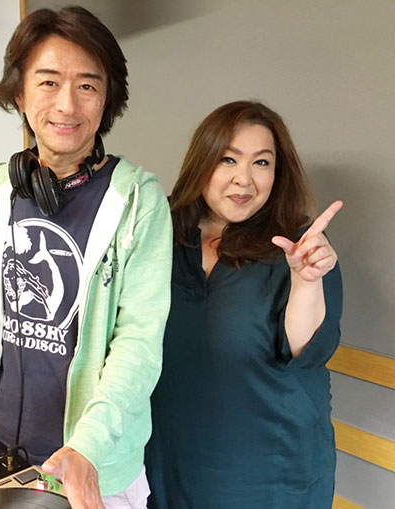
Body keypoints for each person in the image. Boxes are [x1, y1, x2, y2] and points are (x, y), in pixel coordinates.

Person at [0, 6, 172, 509]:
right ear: (20, 93)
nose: (67, 105)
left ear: (107, 99)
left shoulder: (139, 201)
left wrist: (88, 447)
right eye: (48, 82)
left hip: (93, 469)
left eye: (87, 85)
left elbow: (139, 344)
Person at [145, 100, 343, 508]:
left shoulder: (299, 246)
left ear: (278, 173)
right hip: (170, 460)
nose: (244, 179)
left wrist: (306, 283)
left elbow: (305, 351)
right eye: (228, 159)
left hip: (270, 472)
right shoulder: (160, 233)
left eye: (262, 163)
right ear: (202, 163)